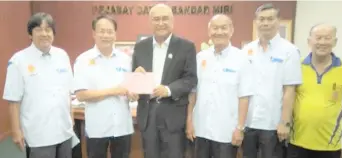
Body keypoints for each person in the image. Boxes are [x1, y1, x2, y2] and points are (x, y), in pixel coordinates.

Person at [3, 12, 74, 158]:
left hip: (64, 131)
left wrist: (71, 120)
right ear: (30, 34)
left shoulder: (62, 56)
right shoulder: (18, 61)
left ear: (53, 33)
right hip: (39, 136)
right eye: (38, 30)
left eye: (48, 29)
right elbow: (13, 101)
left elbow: (67, 93)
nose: (44, 34)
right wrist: (16, 131)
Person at [131, 3, 197, 158]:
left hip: (173, 115)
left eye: (165, 19)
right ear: (150, 22)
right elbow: (135, 75)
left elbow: (191, 79)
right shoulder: (140, 47)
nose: (161, 23)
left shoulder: (186, 46)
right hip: (148, 115)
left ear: (172, 21)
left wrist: (168, 90)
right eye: (156, 19)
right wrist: (133, 87)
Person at [287, 24, 342, 158]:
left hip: (329, 144)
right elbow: (287, 95)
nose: (322, 42)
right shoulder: (297, 66)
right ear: (309, 41)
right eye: (318, 38)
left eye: (327, 38)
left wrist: (338, 115)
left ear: (335, 42)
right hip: (296, 142)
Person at [186, 14, 253, 158]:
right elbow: (193, 92)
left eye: (224, 28)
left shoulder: (242, 59)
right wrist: (189, 120)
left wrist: (240, 128)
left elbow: (244, 97)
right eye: (215, 28)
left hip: (226, 132)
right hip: (201, 129)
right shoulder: (201, 57)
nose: (219, 32)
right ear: (209, 31)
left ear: (231, 30)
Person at [241, 3, 302, 158]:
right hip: (248, 122)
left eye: (270, 19)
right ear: (256, 21)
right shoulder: (247, 50)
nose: (265, 23)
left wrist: (285, 122)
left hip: (273, 125)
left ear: (278, 21)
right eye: (262, 19)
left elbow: (290, 90)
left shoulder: (289, 51)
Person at [73, 15, 136, 158]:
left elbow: (130, 89)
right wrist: (113, 91)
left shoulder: (126, 60)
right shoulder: (83, 60)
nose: (106, 35)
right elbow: (81, 95)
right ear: (94, 33)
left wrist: (133, 93)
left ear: (115, 34)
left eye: (110, 31)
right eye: (102, 31)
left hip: (122, 127)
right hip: (97, 128)